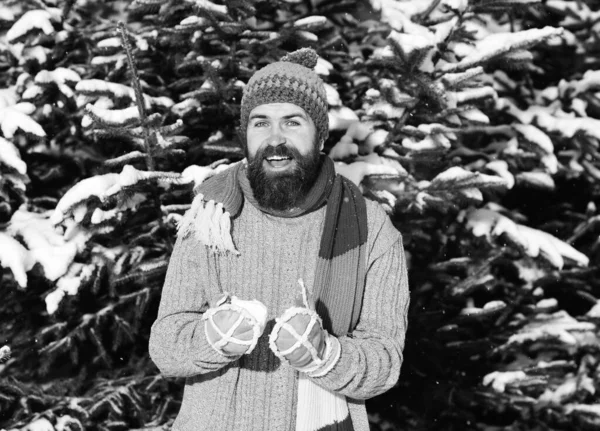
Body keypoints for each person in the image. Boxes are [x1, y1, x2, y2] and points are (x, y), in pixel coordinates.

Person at [149, 47, 410, 431]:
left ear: (319, 135)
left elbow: (384, 362)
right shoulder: (211, 217)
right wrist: (212, 339)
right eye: (261, 123)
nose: (275, 139)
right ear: (246, 136)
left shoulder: (371, 229)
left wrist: (326, 355)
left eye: (292, 122)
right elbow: (165, 347)